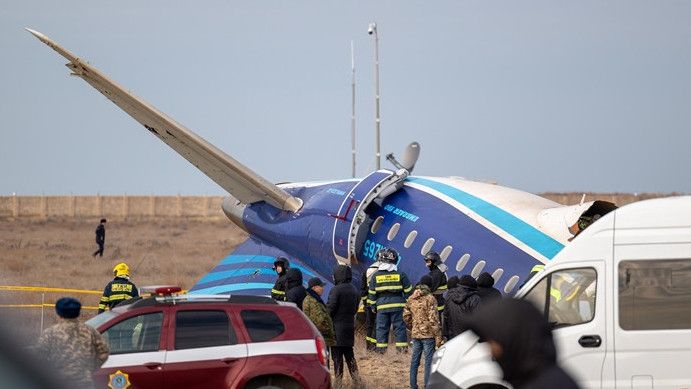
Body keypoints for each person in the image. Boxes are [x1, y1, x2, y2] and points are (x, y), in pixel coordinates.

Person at [466, 299, 580, 389]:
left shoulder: (544, 384)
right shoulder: (539, 378)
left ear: (512, 338)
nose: (491, 351)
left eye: (493, 343)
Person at [36, 297, 109, 388]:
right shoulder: (90, 331)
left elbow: (38, 358)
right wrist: (90, 368)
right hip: (83, 382)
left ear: (58, 313)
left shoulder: (50, 333)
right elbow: (104, 352)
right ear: (78, 313)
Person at [368, 247, 413, 353]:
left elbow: (372, 294)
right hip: (398, 306)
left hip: (382, 307)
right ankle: (402, 351)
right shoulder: (400, 274)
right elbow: (409, 291)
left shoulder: (375, 276)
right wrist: (407, 304)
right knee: (399, 328)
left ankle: (381, 351)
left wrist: (373, 307)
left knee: (382, 329)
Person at [327, 264, 362, 388]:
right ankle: (357, 380)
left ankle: (338, 383)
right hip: (349, 327)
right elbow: (356, 308)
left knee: (337, 357)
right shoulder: (354, 290)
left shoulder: (336, 290)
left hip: (336, 328)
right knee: (350, 355)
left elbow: (330, 308)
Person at [403, 281, 442, 389]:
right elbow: (433, 319)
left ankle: (413, 385)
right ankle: (427, 385)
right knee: (429, 361)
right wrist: (438, 336)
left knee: (415, 360)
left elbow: (406, 316)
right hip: (428, 335)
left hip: (416, 335)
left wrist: (413, 327)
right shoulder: (430, 298)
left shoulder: (411, 298)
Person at [303, 277, 336, 366]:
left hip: (320, 337)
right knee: (325, 364)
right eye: (320, 286)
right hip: (322, 337)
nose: (323, 288)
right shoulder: (313, 301)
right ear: (314, 288)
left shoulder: (313, 299)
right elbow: (319, 321)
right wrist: (329, 330)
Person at [443, 275, 480, 340]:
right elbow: (479, 320)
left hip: (453, 338)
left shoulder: (449, 296)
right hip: (469, 338)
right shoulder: (475, 298)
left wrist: (445, 334)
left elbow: (445, 316)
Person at [360, 259, 381, 351]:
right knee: (377, 325)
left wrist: (365, 303)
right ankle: (374, 346)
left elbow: (363, 290)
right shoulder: (383, 271)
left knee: (370, 325)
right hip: (378, 302)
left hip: (369, 302)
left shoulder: (367, 271)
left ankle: (368, 347)